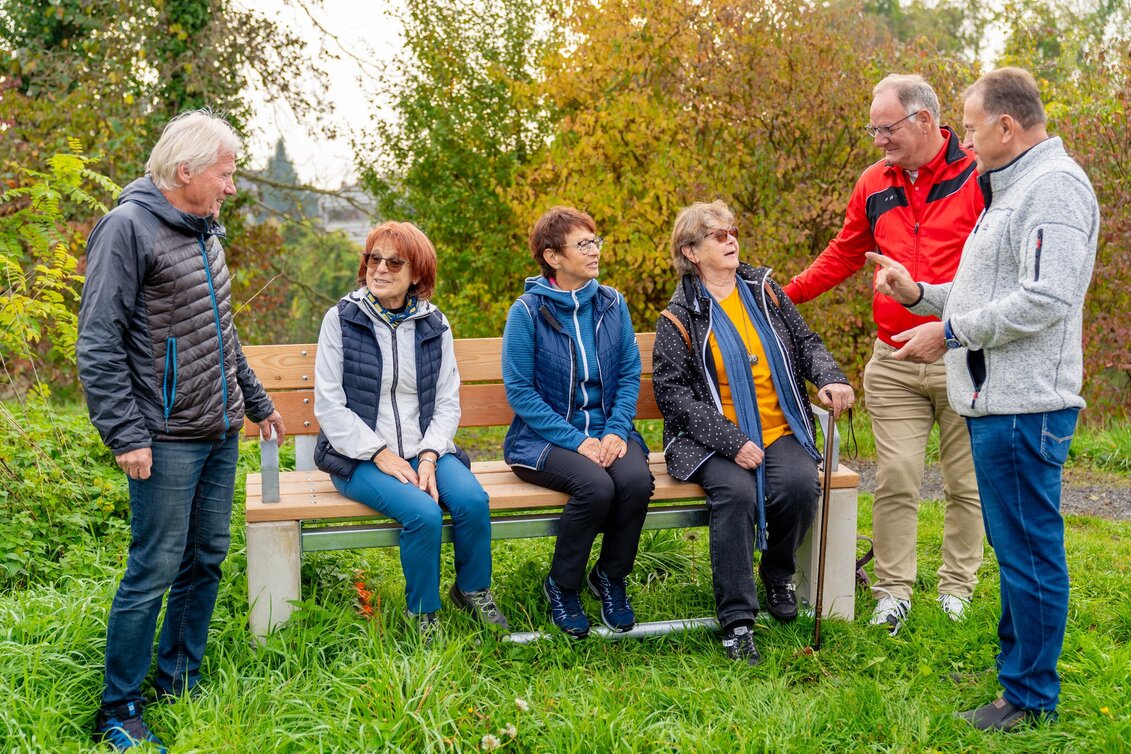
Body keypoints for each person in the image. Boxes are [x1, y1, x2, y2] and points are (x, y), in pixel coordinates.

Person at [869, 67, 1099, 730]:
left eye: (969, 130)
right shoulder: (1008, 188)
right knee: (1016, 548)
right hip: (995, 402)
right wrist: (918, 295)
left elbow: (1044, 299)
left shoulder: (1052, 189)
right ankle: (1017, 679)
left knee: (1029, 552)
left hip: (1026, 406)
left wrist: (946, 334)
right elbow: (983, 297)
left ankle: (1027, 700)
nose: (962, 143)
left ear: (1006, 125)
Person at [77, 110, 286, 752]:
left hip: (219, 428)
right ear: (186, 170)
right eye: (225, 174)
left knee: (207, 556)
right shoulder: (126, 228)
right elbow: (97, 343)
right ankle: (119, 707)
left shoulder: (205, 230)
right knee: (154, 567)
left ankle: (180, 677)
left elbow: (218, 331)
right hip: (163, 437)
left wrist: (254, 400)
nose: (231, 186)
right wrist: (126, 433)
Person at [782, 73, 985, 634]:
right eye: (872, 128)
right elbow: (843, 254)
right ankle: (893, 591)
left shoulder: (977, 173)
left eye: (886, 127)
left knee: (965, 482)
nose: (878, 139)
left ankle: (956, 589)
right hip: (893, 360)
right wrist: (778, 295)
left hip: (964, 355)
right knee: (895, 475)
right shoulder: (873, 182)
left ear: (924, 120)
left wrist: (954, 325)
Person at [652, 200, 854, 665]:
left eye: (732, 231)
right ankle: (738, 621)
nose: (730, 240)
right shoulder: (681, 315)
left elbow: (805, 343)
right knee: (738, 494)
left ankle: (778, 572)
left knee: (801, 485)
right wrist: (732, 440)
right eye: (717, 235)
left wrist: (829, 377)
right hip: (711, 439)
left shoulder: (764, 291)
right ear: (691, 251)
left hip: (779, 426)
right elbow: (672, 393)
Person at [313, 221, 508, 639]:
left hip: (426, 449)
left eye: (394, 261)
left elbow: (446, 400)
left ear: (416, 272)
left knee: (473, 500)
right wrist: (381, 453)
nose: (380, 268)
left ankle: (472, 590)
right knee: (423, 513)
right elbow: (329, 405)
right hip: (358, 457)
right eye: (373, 259)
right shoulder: (342, 320)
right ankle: (423, 614)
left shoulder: (434, 323)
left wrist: (430, 454)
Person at [502, 206, 654, 639]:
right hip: (541, 441)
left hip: (609, 430)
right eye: (583, 244)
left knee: (635, 481)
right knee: (596, 485)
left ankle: (609, 577)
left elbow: (629, 372)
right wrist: (577, 440)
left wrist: (615, 429)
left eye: (595, 241)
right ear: (553, 257)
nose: (594, 251)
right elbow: (521, 392)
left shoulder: (612, 303)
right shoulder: (528, 312)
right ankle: (562, 586)